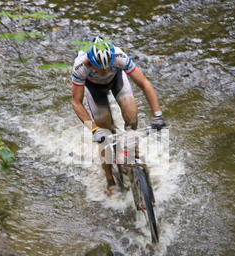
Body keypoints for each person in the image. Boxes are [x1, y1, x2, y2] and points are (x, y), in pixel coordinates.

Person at [71, 36, 166, 194]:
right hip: (93, 88)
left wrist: (158, 115)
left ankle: (132, 155)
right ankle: (110, 180)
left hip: (117, 81)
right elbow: (76, 102)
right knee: (105, 132)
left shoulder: (119, 56)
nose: (105, 71)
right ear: (92, 63)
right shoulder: (81, 66)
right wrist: (94, 129)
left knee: (131, 117)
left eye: (108, 66)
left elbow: (144, 83)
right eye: (101, 68)